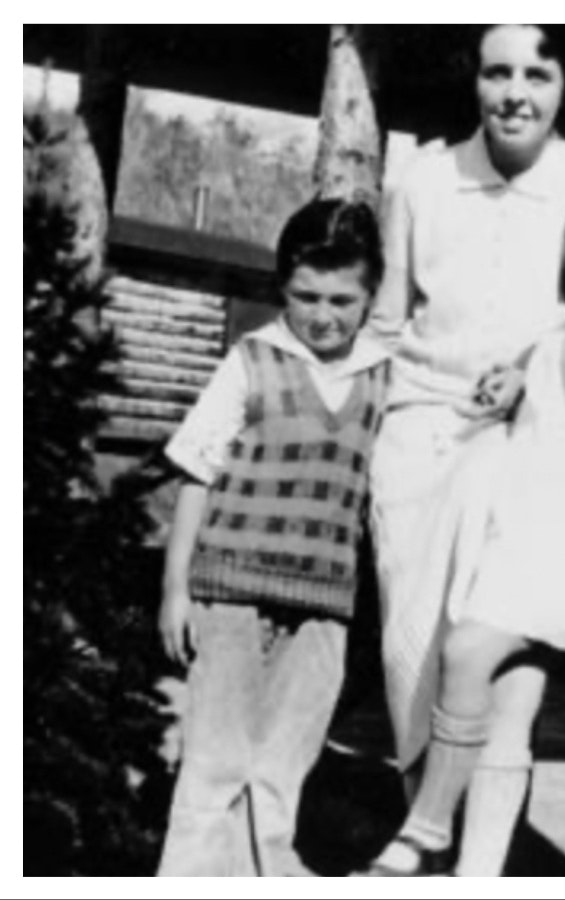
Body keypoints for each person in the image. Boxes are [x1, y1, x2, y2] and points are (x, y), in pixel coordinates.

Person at [358, 183, 565, 876]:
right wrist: (514, 379)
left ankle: (427, 823)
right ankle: (470, 866)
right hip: (531, 543)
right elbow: (545, 397)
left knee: (468, 651)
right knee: (499, 684)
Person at [365, 22, 565, 827]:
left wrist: (534, 373)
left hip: (533, 447)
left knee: (503, 661)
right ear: (472, 79)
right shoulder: (421, 182)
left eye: (536, 74)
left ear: (563, 83)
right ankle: (424, 845)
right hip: (421, 434)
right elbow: (385, 316)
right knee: (412, 658)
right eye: (497, 72)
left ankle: (484, 861)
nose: (516, 93)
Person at [156, 198, 389, 876]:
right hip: (230, 596)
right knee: (215, 763)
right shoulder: (251, 359)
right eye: (306, 296)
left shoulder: (383, 376)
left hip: (324, 607)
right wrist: (176, 590)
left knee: (283, 770)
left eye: (343, 299)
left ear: (371, 293)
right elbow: (196, 474)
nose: (323, 314)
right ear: (282, 286)